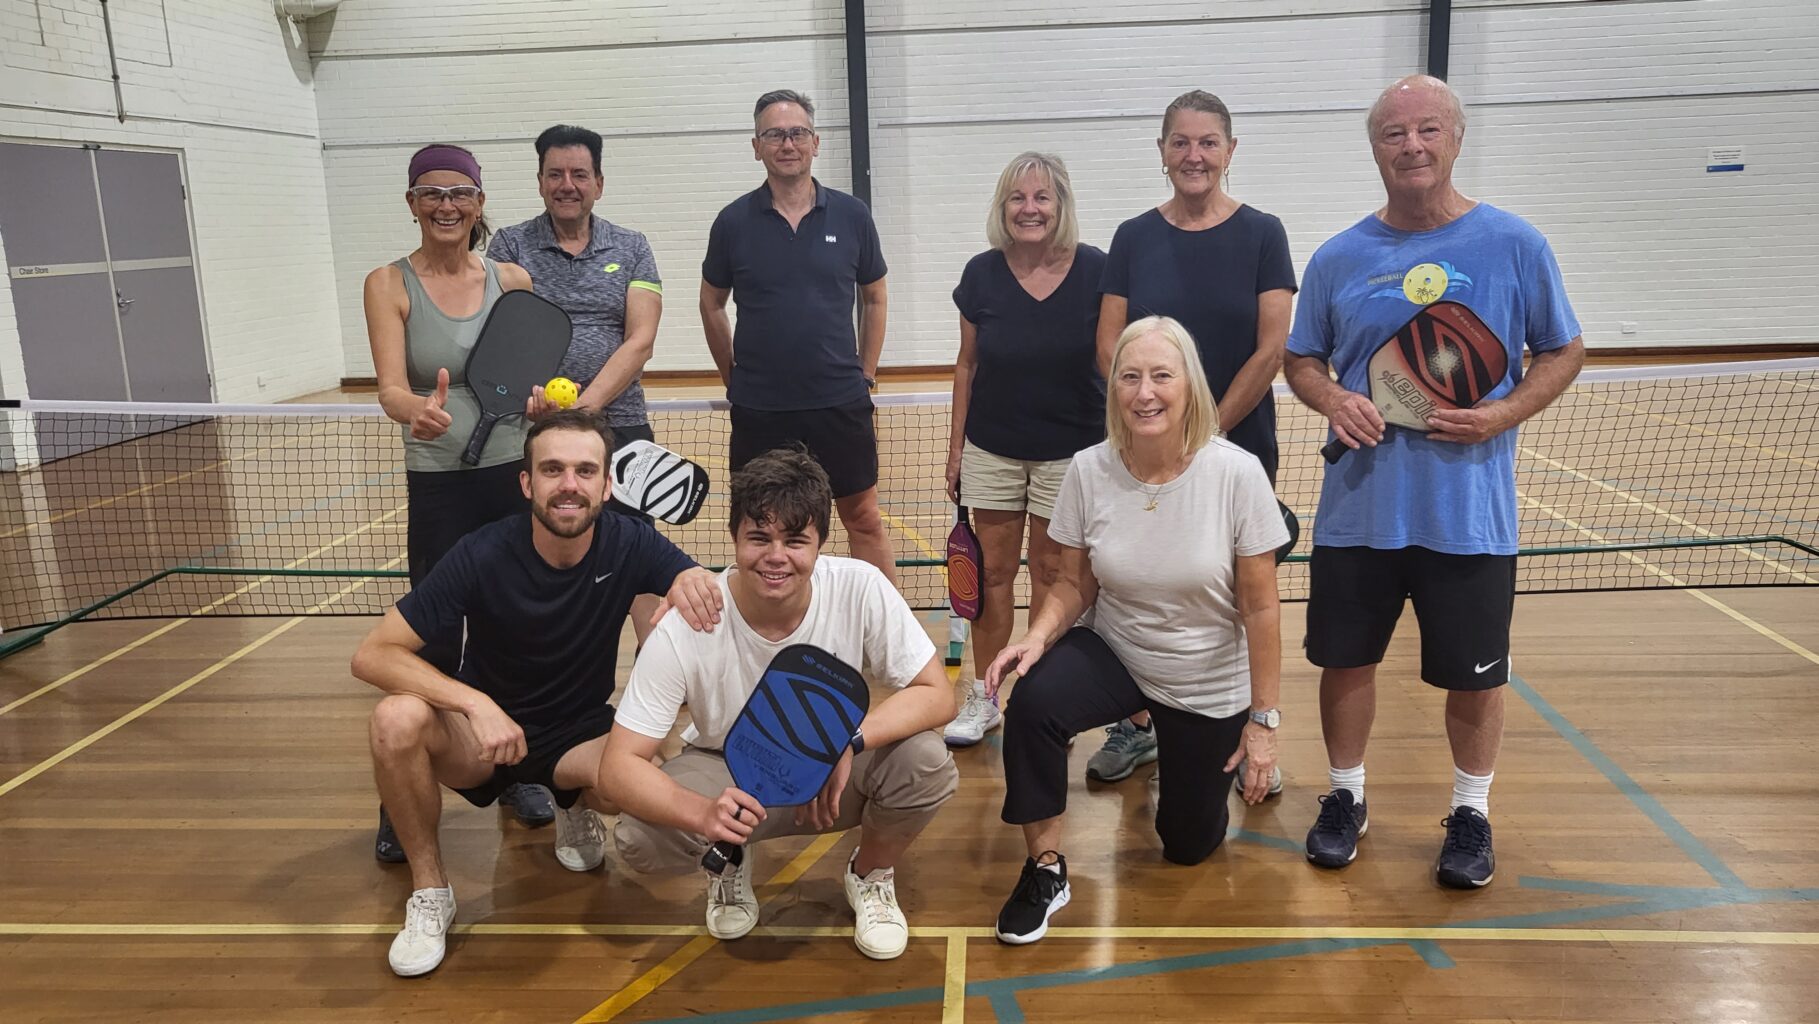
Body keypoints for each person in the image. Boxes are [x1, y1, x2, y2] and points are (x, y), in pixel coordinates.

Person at [1284, 75, 1585, 890]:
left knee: (1471, 675)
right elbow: (1300, 357)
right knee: (1344, 664)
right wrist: (1333, 398)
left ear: (1455, 139)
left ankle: (1471, 811)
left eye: (1425, 130)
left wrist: (1502, 415)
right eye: (1392, 134)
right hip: (1356, 514)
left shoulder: (1514, 244)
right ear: (1374, 147)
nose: (1409, 146)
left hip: (1470, 516)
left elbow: (1561, 349)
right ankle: (1345, 797)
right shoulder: (1338, 257)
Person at [352, 411, 724, 977]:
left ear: (606, 484)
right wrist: (474, 705)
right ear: (527, 483)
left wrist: (694, 580)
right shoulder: (481, 552)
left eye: (584, 470)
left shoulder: (632, 543)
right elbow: (372, 654)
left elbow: (691, 582)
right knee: (395, 718)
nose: (569, 484)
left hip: (579, 732)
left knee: (651, 770)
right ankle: (430, 892)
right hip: (484, 738)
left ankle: (570, 800)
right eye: (552, 470)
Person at [984, 316, 1287, 945]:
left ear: (1189, 386)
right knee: (1035, 700)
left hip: (1204, 677)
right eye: (1130, 376)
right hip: (1117, 650)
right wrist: (1036, 637)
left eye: (1160, 376)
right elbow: (1073, 584)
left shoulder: (1235, 474)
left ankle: (1200, 758)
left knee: (1186, 846)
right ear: (1114, 388)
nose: (1144, 392)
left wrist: (1264, 723)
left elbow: (1261, 610)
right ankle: (1044, 869)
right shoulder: (1089, 470)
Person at [603, 448, 958, 961]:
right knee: (640, 836)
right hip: (728, 772)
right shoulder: (689, 619)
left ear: (819, 543)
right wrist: (706, 815)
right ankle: (729, 859)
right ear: (734, 540)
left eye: (795, 540)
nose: (776, 556)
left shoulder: (860, 587)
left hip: (833, 776)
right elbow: (618, 768)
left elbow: (936, 693)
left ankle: (870, 873)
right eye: (759, 538)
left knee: (926, 761)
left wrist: (847, 743)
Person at [1088, 90, 1297, 787]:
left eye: (1207, 142)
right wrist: (1156, 427)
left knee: (1237, 593)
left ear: (1229, 152)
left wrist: (1203, 434)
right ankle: (1137, 722)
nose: (1193, 155)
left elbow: (1272, 349)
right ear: (1161, 153)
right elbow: (1108, 346)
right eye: (1179, 142)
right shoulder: (1132, 237)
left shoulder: (1263, 233)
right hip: (1144, 454)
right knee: (1141, 582)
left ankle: (1248, 728)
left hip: (1234, 449)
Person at [362, 143, 557, 859]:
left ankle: (515, 771)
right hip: (439, 479)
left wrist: (537, 403)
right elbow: (387, 385)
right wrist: (410, 409)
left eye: (460, 193)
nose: (446, 205)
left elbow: (529, 377)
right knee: (434, 638)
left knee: (512, 626)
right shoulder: (388, 283)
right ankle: (401, 791)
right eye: (431, 193)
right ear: (412, 203)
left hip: (511, 475)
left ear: (479, 203)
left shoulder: (513, 278)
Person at [700, 90, 898, 582]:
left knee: (863, 519)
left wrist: (865, 373)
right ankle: (769, 630)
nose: (786, 143)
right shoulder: (732, 222)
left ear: (815, 143)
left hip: (839, 403)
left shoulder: (852, 216)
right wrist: (735, 380)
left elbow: (874, 296)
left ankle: (890, 645)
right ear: (756, 146)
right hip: (761, 409)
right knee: (763, 526)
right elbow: (710, 303)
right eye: (774, 134)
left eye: (796, 133)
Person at [943, 152, 1106, 747]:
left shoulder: (1098, 272)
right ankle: (983, 699)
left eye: (1041, 198)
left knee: (1050, 576)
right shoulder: (981, 275)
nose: (1029, 209)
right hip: (993, 449)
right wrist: (956, 449)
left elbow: (1115, 362)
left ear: (1060, 205)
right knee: (991, 576)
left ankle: (1041, 703)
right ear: (1002, 207)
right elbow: (967, 366)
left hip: (1072, 452)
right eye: (1017, 198)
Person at [488, 123, 666, 644]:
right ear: (540, 181)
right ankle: (540, 653)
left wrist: (584, 411)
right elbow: (500, 331)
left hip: (621, 423)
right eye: (556, 174)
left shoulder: (632, 247)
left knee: (638, 546)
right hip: (531, 427)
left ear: (599, 183)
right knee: (543, 542)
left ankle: (660, 664)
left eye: (579, 174)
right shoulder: (510, 245)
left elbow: (640, 341)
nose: (568, 184)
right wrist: (539, 407)